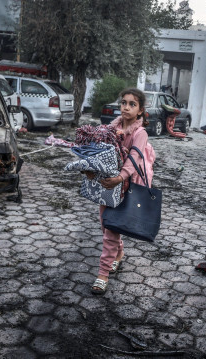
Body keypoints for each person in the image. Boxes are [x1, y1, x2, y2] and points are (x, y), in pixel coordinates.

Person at [89, 88, 156, 295]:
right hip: (109, 183)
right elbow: (100, 152)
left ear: (140, 110)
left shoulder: (140, 133)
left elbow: (134, 158)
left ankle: (103, 274)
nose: (126, 107)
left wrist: (120, 178)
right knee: (105, 224)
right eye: (124, 103)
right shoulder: (110, 129)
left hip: (127, 184)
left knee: (111, 231)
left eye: (132, 104)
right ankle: (118, 256)